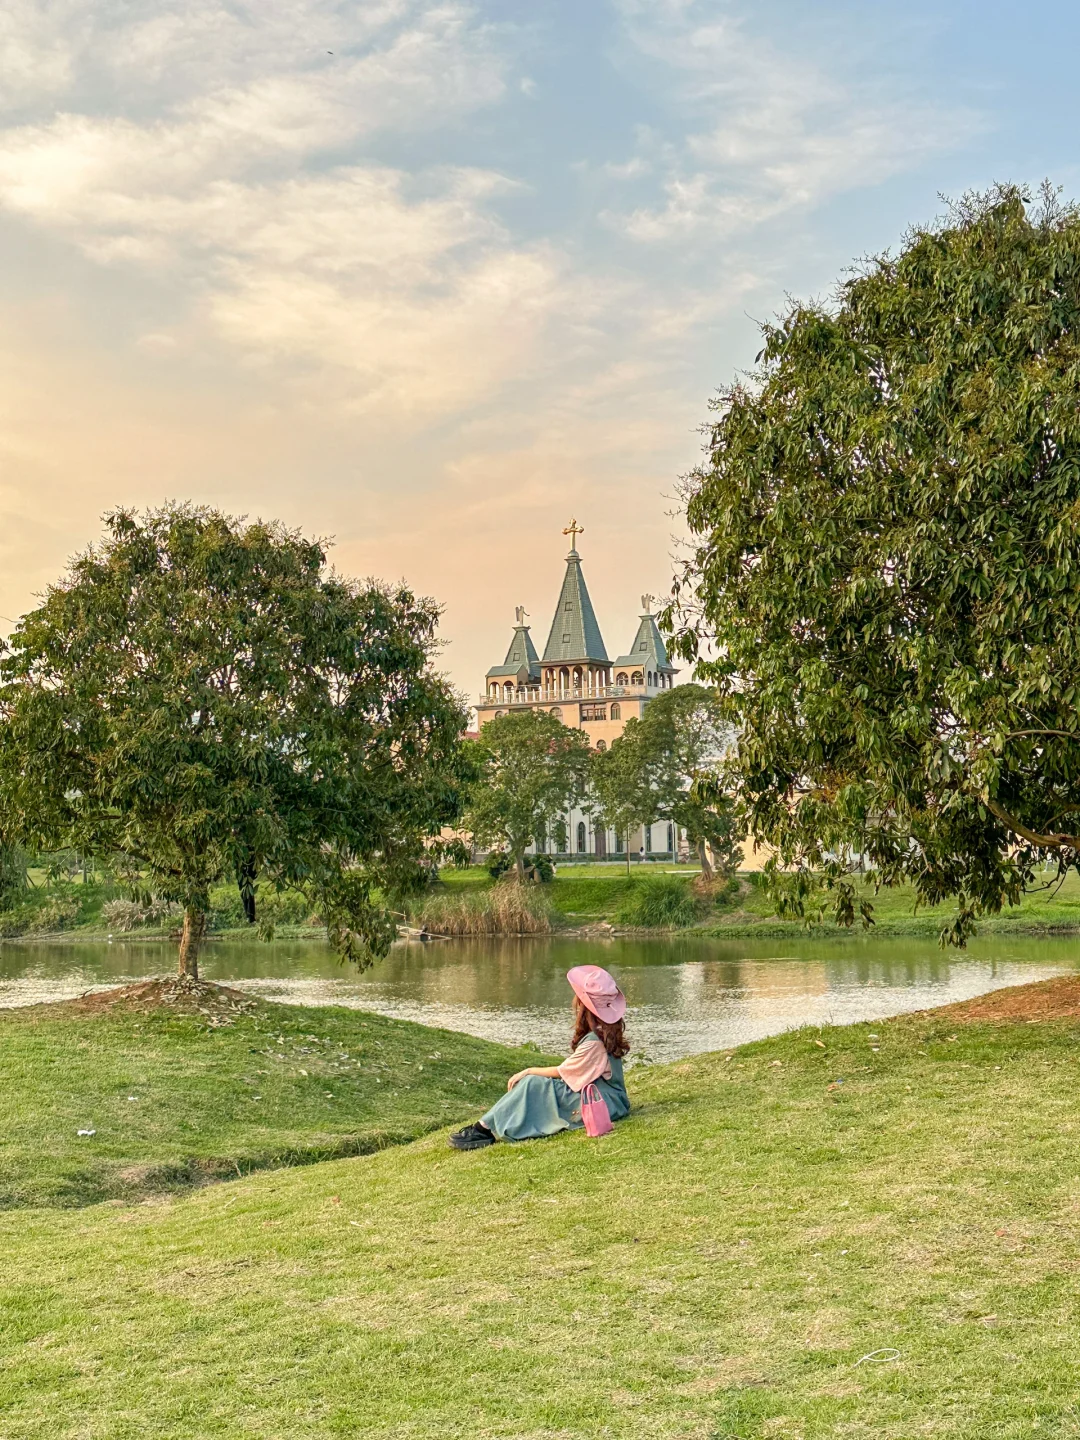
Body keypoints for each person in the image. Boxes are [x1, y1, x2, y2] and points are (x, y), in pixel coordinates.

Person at [449, 965, 630, 1149]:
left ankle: (484, 1129)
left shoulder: (594, 1042)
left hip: (604, 1104)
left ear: (584, 1006)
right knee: (538, 1086)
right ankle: (489, 1125)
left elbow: (564, 1072)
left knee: (533, 1084)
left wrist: (528, 1071)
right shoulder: (603, 1032)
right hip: (609, 1100)